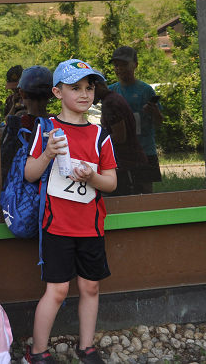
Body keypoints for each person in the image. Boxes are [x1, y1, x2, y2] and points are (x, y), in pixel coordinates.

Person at [23, 59, 117, 364]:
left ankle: (86, 347)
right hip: (57, 226)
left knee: (91, 286)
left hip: (91, 226)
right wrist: (48, 153)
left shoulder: (100, 135)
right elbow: (29, 174)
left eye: (89, 87)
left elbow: (111, 182)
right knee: (58, 290)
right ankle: (38, 351)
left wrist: (92, 177)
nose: (84, 93)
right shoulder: (47, 130)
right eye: (75, 87)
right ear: (57, 92)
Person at [109, 46, 163, 194]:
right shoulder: (111, 91)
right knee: (121, 191)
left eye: (124, 64)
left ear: (135, 65)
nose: (119, 68)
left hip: (145, 150)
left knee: (146, 191)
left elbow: (159, 122)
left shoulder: (146, 90)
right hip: (121, 153)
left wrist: (154, 112)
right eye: (116, 65)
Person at [0, 65, 54, 183]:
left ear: (22, 93)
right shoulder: (56, 124)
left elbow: (5, 164)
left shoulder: (16, 125)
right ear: (53, 93)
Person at [94, 79, 148, 196]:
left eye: (89, 89)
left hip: (127, 164)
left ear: (98, 86)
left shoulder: (110, 103)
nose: (86, 94)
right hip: (132, 161)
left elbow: (120, 136)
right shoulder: (113, 98)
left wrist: (95, 144)